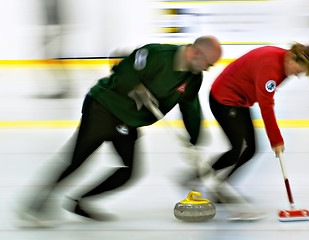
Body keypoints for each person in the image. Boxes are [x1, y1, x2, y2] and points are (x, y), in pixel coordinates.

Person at [18, 35, 222, 226]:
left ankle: (80, 201)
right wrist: (134, 88)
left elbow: (190, 108)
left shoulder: (194, 78)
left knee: (128, 172)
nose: (208, 69)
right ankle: (34, 207)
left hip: (128, 121)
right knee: (76, 160)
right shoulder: (156, 54)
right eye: (208, 64)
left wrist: (194, 141)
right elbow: (122, 73)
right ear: (196, 53)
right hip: (104, 108)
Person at [204, 43, 309, 203]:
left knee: (251, 149)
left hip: (239, 100)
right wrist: (276, 139)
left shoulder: (284, 64)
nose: (297, 75)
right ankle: (202, 175)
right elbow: (266, 105)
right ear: (291, 57)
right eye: (298, 70)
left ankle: (220, 185)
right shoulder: (270, 66)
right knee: (237, 148)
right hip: (224, 98)